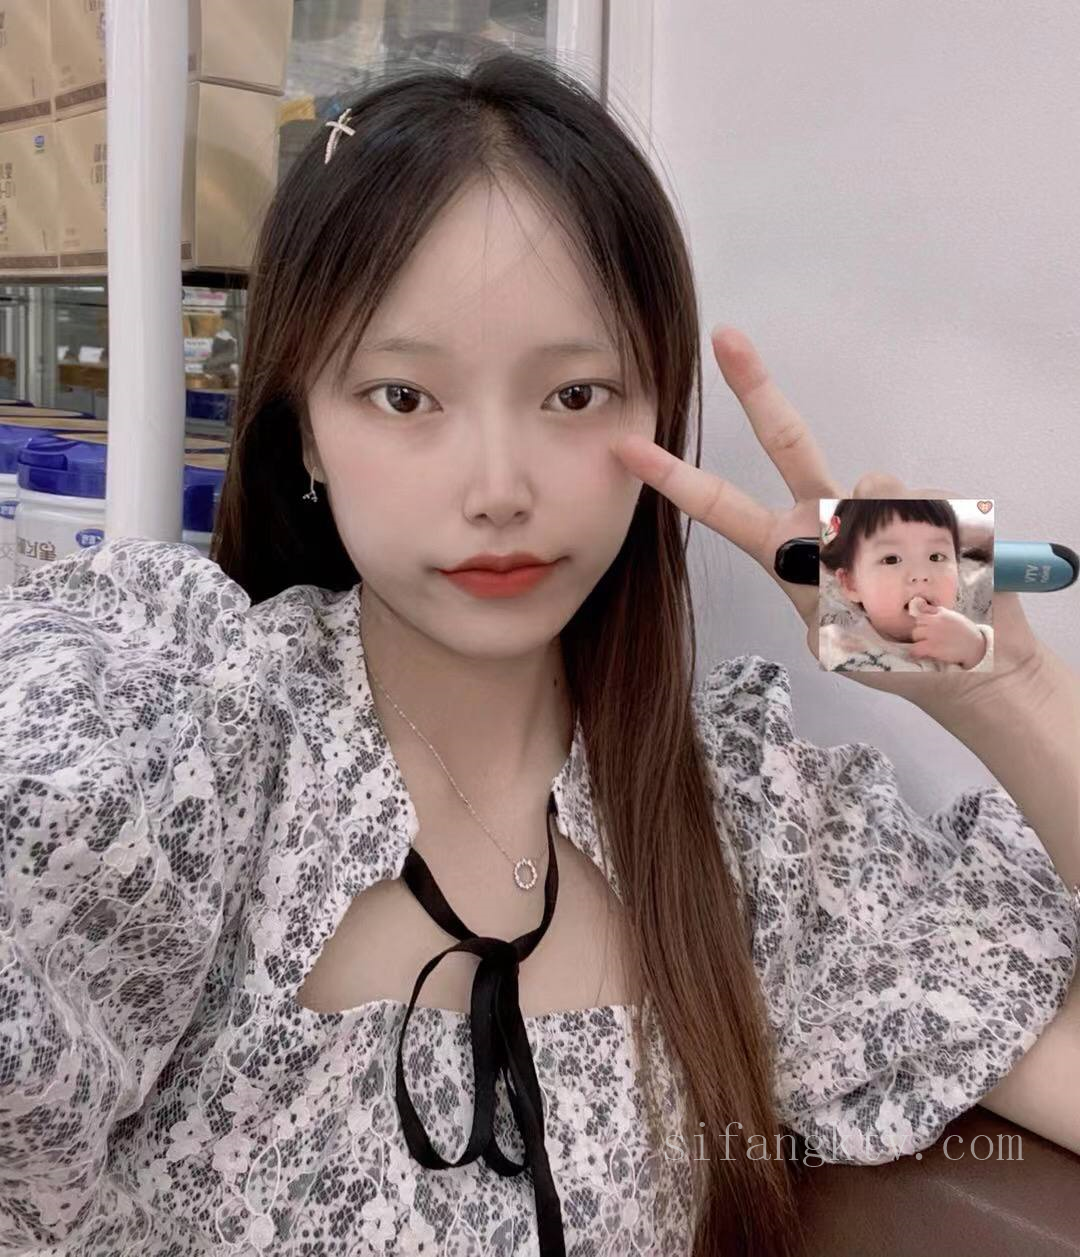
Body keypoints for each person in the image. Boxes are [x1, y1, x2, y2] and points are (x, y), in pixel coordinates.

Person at [1, 48, 1077, 1257]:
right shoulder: (194, 738)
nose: (500, 489)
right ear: (303, 429)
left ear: (658, 411)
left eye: (574, 396)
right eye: (405, 397)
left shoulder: (744, 822)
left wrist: (1008, 691)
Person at [818, 497, 995, 673]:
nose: (920, 575)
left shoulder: (970, 642)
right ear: (851, 584)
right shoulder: (833, 646)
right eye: (891, 559)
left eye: (936, 557)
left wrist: (976, 650)